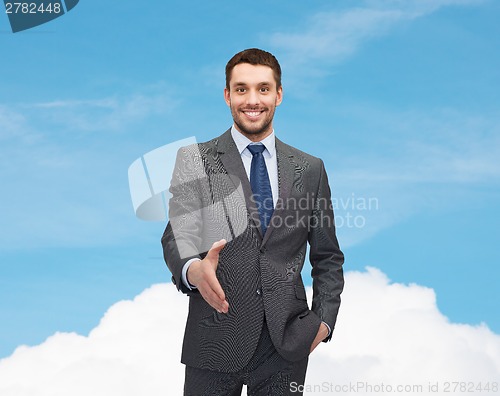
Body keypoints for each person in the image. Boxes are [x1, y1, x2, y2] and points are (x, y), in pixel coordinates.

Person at [162, 48, 344, 396]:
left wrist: (323, 321)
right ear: (228, 95)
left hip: (286, 345)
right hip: (214, 341)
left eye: (263, 88)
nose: (252, 100)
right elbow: (177, 236)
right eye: (241, 89)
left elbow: (328, 256)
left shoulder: (310, 169)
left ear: (278, 94)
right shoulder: (195, 159)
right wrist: (194, 271)